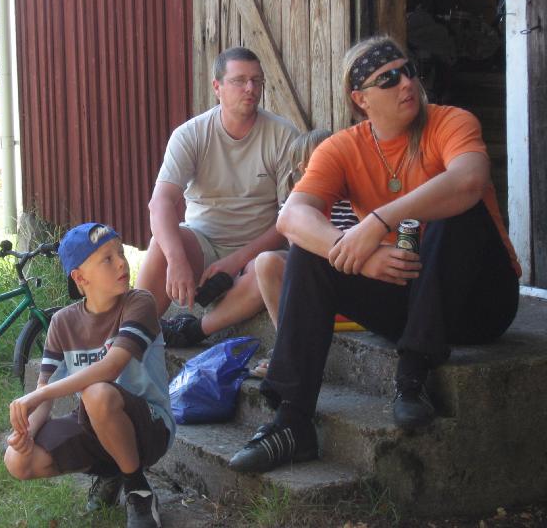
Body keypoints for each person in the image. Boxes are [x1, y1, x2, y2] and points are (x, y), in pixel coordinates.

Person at [228, 35, 520, 474]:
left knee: (457, 207)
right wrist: (357, 255)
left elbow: (469, 180)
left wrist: (378, 222)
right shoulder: (342, 148)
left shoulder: (450, 122)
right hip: (407, 295)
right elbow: (292, 218)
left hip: (480, 302)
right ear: (360, 99)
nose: (406, 84)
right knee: (309, 251)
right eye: (388, 79)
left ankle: (412, 375)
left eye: (408, 71)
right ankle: (292, 420)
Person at [5, 223, 174, 528]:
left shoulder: (139, 302)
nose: (121, 263)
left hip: (150, 426)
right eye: (107, 259)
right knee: (17, 461)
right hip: (96, 421)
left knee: (97, 393)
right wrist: (25, 433)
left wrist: (39, 394)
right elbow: (46, 390)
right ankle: (112, 472)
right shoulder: (62, 322)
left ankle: (138, 489)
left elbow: (111, 367)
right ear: (80, 278)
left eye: (121, 253)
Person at [135, 46, 298, 348]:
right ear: (217, 87)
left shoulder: (283, 135)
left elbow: (290, 219)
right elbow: (160, 203)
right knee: (162, 243)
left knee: (268, 266)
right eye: (239, 81)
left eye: (257, 81)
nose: (250, 88)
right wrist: (177, 260)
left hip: (257, 252)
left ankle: (195, 330)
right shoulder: (191, 134)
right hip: (203, 245)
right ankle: (129, 337)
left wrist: (237, 260)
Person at [251, 129, 358, 378]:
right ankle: (287, 349)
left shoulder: (356, 197)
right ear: (305, 168)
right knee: (266, 261)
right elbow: (298, 248)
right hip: (309, 284)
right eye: (325, 158)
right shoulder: (295, 204)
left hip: (349, 285)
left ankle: (291, 355)